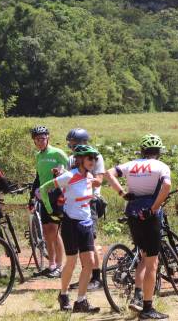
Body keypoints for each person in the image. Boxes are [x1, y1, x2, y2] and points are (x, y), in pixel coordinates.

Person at [105, 134, 172, 320]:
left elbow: (108, 173)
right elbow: (166, 185)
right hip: (150, 215)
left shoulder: (131, 164)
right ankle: (148, 308)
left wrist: (122, 193)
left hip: (133, 213)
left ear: (142, 151)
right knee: (152, 262)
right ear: (158, 152)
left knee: (142, 256)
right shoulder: (161, 166)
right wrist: (154, 207)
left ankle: (138, 294)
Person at [42, 144, 102, 314]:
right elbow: (44, 189)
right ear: (80, 159)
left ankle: (81, 301)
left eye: (94, 158)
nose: (93, 161)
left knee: (89, 262)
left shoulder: (89, 176)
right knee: (72, 261)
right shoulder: (69, 175)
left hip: (86, 223)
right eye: (90, 158)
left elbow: (97, 183)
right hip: (70, 224)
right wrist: (49, 209)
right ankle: (63, 294)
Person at [65, 128, 105, 290]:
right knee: (80, 244)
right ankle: (86, 276)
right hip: (73, 204)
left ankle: (96, 278)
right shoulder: (70, 159)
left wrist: (83, 179)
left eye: (73, 143)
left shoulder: (96, 156)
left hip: (90, 202)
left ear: (82, 142)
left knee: (90, 241)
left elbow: (99, 180)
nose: (71, 146)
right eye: (70, 144)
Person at [31, 126, 68, 278]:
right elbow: (38, 177)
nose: (40, 142)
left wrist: (61, 172)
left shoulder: (57, 153)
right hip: (44, 197)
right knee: (46, 232)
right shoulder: (38, 156)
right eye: (37, 140)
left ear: (48, 138)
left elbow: (71, 170)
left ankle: (60, 266)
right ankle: (51, 264)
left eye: (42, 139)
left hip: (57, 195)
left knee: (55, 230)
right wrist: (31, 197)